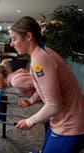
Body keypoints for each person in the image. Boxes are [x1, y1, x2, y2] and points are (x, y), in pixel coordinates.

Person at [9, 16, 84, 153]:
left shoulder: (40, 60)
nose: (11, 44)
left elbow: (54, 104)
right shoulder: (42, 52)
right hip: (63, 121)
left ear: (28, 36)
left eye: (14, 39)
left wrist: (29, 121)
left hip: (69, 126)